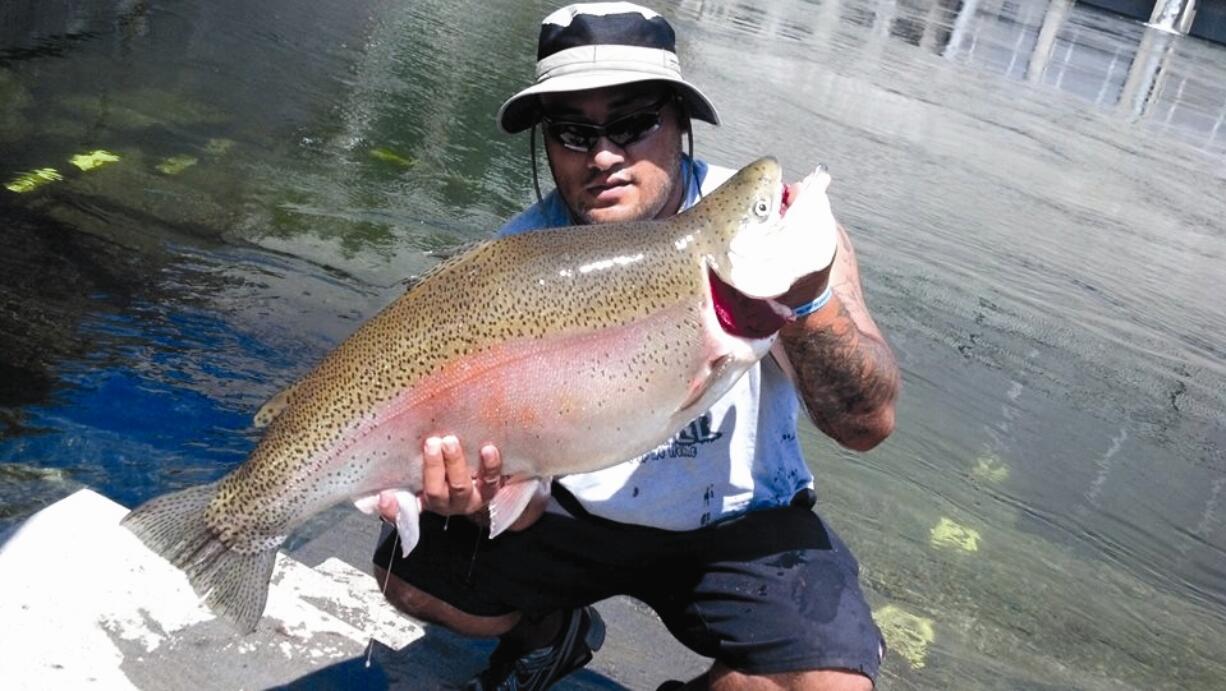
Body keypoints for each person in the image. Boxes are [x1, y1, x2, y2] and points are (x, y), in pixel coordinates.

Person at [372, 4, 901, 690]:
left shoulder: (769, 228)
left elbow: (867, 425)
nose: (604, 155)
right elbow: (523, 504)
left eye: (632, 124)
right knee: (411, 577)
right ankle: (553, 632)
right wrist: (476, 492)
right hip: (575, 514)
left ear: (681, 121)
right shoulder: (509, 267)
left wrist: (803, 303)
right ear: (546, 142)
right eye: (573, 131)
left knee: (829, 685)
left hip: (737, 519)